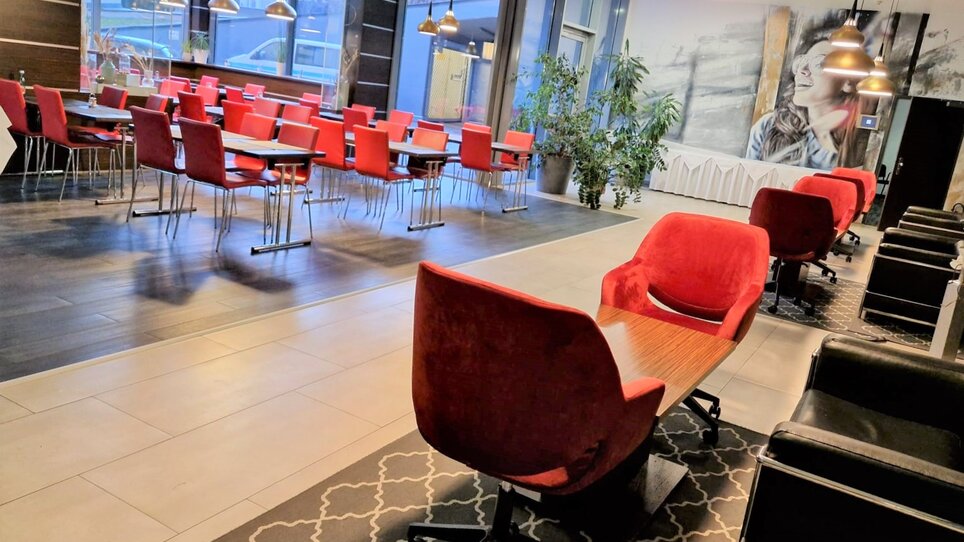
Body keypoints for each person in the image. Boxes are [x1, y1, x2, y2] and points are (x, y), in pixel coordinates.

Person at [747, 19, 859, 169]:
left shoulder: (857, 143)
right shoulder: (767, 127)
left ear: (848, 82)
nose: (802, 70)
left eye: (819, 64)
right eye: (802, 62)